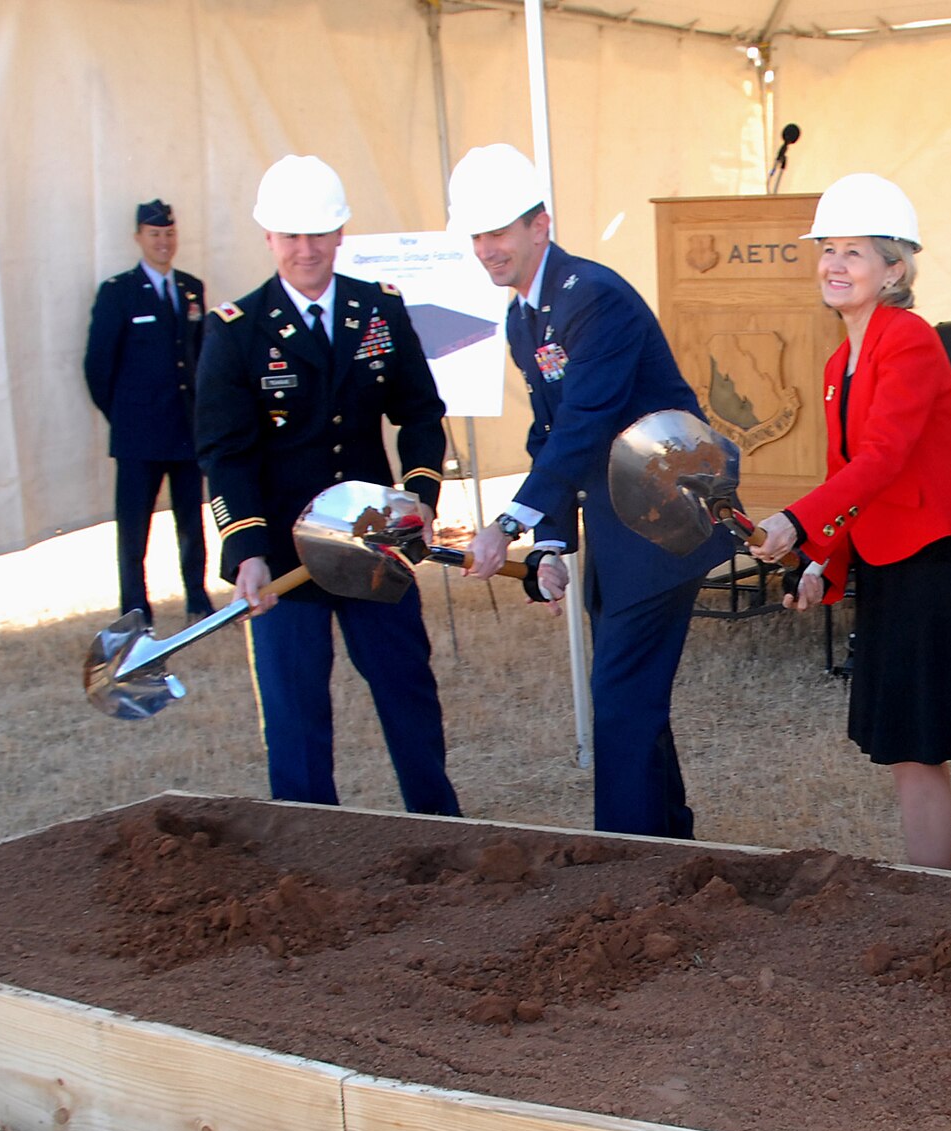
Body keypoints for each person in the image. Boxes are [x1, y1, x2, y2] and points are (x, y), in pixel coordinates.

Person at [450, 144, 726, 839]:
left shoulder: (593, 298)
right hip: (618, 518)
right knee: (630, 696)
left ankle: (630, 859)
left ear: (540, 224)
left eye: (500, 231)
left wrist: (507, 523)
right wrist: (548, 542)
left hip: (667, 516)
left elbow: (586, 422)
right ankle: (667, 840)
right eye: (476, 234)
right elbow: (551, 432)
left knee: (619, 696)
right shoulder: (524, 315)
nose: (487, 248)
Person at [197, 155, 461, 817]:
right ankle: (308, 844)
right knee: (295, 712)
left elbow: (421, 413)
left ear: (341, 233)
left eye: (318, 233)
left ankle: (439, 826)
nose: (305, 249)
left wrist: (420, 501)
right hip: (287, 553)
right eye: (290, 235)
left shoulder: (378, 310)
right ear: (268, 239)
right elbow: (224, 453)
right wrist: (247, 550)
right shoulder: (236, 331)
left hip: (375, 544)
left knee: (407, 691)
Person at [751, 174, 951, 872]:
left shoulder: (910, 341)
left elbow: (885, 458)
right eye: (827, 249)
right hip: (893, 560)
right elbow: (847, 480)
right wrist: (819, 561)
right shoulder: (840, 360)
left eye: (853, 251)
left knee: (915, 746)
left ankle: (938, 893)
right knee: (903, 745)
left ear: (895, 268)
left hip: (937, 559)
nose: (833, 263)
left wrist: (796, 522)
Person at [83, 199, 212, 620]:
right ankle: (136, 608)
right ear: (139, 237)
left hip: (185, 429)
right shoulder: (118, 292)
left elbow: (201, 356)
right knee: (135, 528)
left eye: (169, 234)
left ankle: (197, 596)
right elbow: (98, 366)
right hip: (138, 433)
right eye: (155, 234)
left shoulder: (192, 288)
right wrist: (123, 415)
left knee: (191, 520)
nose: (163, 242)